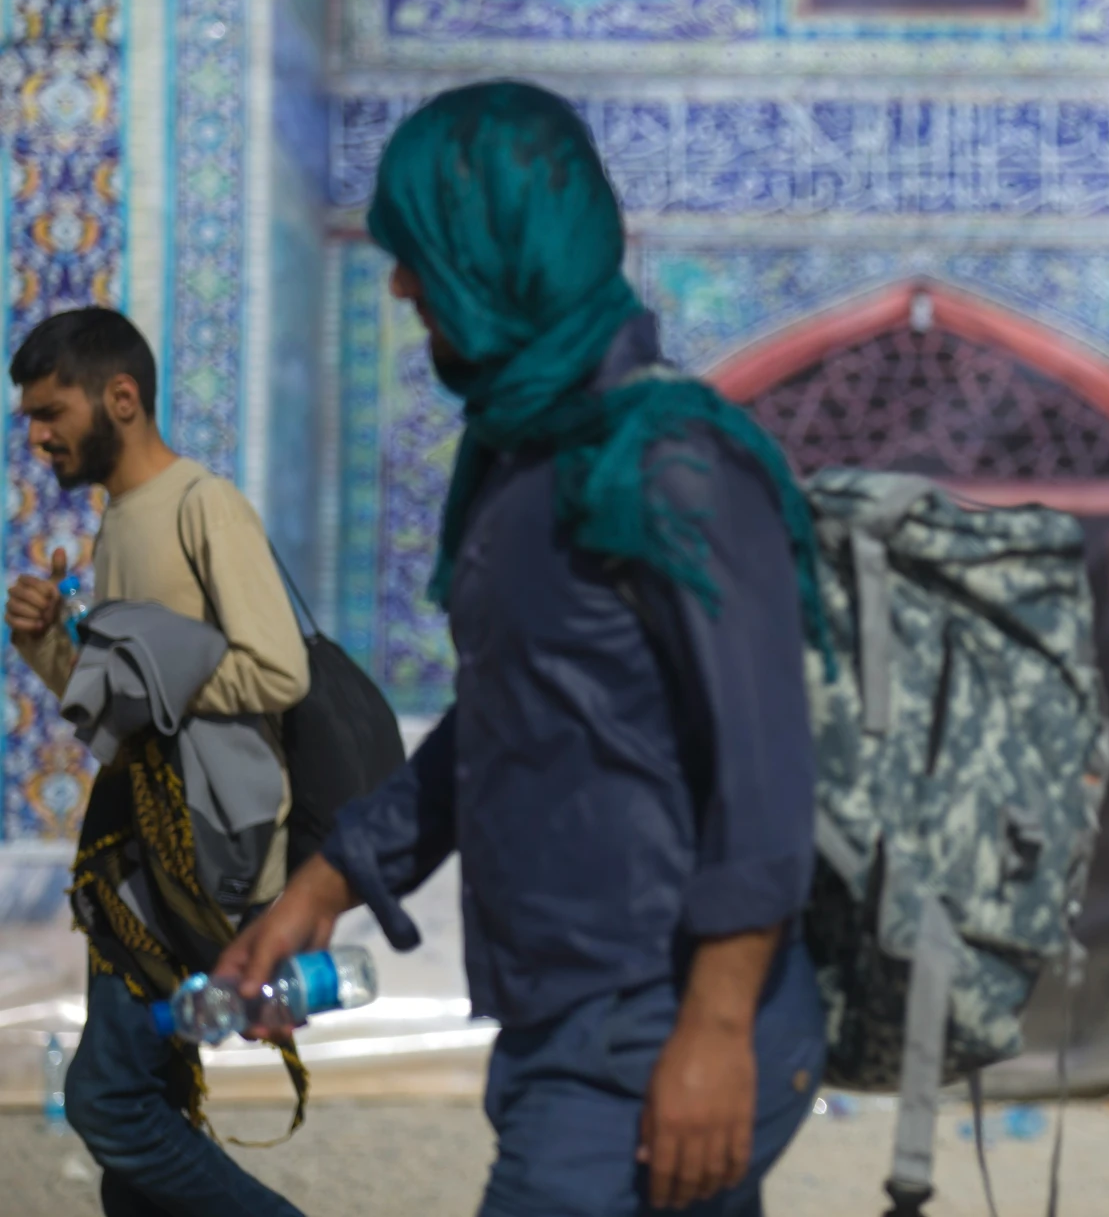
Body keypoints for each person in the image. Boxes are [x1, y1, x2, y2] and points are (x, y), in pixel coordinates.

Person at [216, 81, 831, 1215]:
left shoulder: (673, 461)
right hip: (568, 1018)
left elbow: (764, 770)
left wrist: (715, 1029)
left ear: (503, 252)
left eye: (424, 255)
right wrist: (330, 879)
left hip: (659, 1017)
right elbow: (507, 718)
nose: (401, 285)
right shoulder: (522, 463)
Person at [4, 307, 311, 1217]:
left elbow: (277, 669)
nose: (38, 436)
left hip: (199, 855)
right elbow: (122, 707)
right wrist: (46, 642)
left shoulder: (199, 504)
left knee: (110, 1101)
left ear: (122, 398)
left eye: (51, 411)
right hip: (141, 853)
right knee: (144, 1131)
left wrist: (151, 670)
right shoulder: (120, 523)